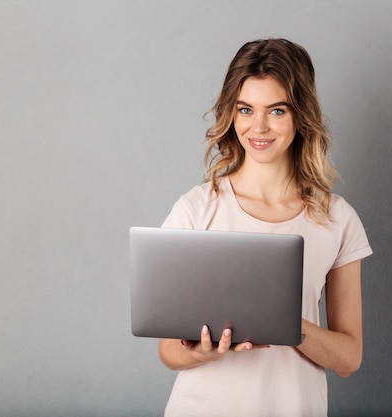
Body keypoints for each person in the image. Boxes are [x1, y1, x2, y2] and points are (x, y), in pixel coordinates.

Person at [159, 38, 372, 417]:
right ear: (232, 114)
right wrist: (202, 351)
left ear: (300, 115)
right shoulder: (197, 208)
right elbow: (167, 351)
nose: (258, 127)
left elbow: (348, 358)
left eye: (276, 110)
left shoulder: (337, 219)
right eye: (245, 109)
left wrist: (289, 325)